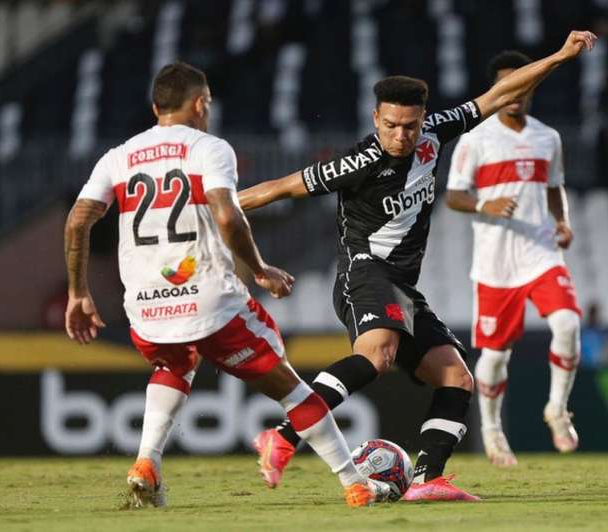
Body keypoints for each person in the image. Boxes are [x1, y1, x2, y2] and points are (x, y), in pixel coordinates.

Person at [237, 32, 597, 499]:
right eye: (390, 125)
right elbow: (279, 188)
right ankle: (282, 436)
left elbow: (501, 93)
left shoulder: (436, 134)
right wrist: (211, 206)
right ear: (376, 118)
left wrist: (562, 55)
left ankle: (426, 481)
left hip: (401, 287)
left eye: (409, 125)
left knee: (455, 375)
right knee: (378, 355)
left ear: (422, 119)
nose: (401, 136)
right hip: (363, 273)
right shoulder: (359, 161)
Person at [63, 62, 389, 509]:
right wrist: (258, 269)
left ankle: (145, 462)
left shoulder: (117, 156)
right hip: (209, 300)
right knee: (293, 389)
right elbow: (227, 214)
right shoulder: (209, 149)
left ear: (156, 106)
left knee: (174, 366)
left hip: (145, 307)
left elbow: (78, 221)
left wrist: (78, 293)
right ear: (201, 104)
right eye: (208, 104)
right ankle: (355, 484)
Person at [445, 50, 583, 467]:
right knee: (497, 355)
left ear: (531, 89)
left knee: (568, 322)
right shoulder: (475, 139)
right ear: (495, 90)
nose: (515, 93)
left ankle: (557, 409)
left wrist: (563, 221)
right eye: (508, 84)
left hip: (540, 252)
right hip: (495, 264)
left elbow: (555, 186)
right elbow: (453, 195)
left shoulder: (547, 137)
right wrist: (485, 205)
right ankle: (491, 430)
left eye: (524, 84)